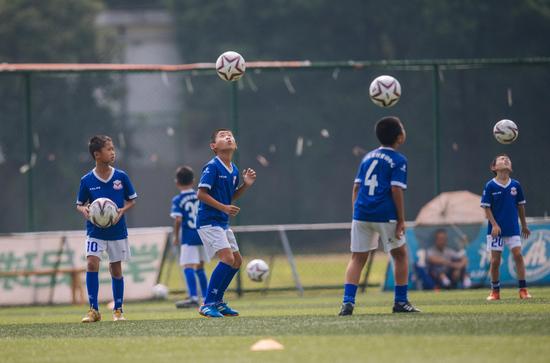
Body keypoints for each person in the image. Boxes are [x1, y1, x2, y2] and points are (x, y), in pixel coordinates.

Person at [339, 116, 420, 315]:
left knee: (357, 258)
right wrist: (401, 219)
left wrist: (355, 214)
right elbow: (395, 190)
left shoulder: (367, 157)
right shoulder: (399, 160)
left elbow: (356, 187)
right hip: (385, 214)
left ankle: (347, 303)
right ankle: (400, 302)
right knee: (399, 255)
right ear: (399, 137)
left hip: (361, 213)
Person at [196, 129, 256, 318]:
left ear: (235, 145)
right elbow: (201, 194)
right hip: (208, 222)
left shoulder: (234, 169)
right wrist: (223, 207)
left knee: (237, 261)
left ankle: (218, 302)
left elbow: (231, 196)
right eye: (222, 136)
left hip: (221, 222)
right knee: (228, 259)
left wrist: (245, 185)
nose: (228, 137)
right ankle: (207, 303)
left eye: (230, 135)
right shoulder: (212, 167)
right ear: (213, 146)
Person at [76, 135, 137, 322]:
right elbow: (79, 204)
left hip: (117, 230)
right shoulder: (87, 180)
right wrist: (85, 210)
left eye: (113, 149)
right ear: (97, 154)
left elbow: (132, 199)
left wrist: (121, 210)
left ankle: (118, 310)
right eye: (108, 149)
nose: (113, 152)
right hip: (95, 231)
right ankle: (93, 310)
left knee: (116, 269)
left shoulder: (121, 176)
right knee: (92, 263)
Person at [481, 154, 531, 300]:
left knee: (518, 255)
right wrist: (495, 225)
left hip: (513, 228)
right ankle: (495, 291)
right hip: (496, 231)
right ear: (494, 167)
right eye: (501, 159)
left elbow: (521, 206)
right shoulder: (490, 185)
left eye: (508, 159)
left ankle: (523, 290)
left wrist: (524, 225)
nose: (506, 160)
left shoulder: (516, 185)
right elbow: (486, 208)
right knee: (495, 261)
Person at [170, 166, 209, 308]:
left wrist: (175, 236)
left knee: (188, 266)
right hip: (203, 234)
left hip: (189, 236)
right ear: (193, 181)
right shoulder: (200, 196)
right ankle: (206, 297)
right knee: (200, 266)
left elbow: (178, 219)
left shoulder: (178, 199)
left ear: (177, 183)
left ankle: (193, 297)